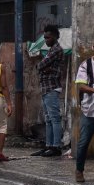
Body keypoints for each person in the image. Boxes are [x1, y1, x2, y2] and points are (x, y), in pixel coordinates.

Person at [74, 36, 94, 184]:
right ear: (93, 47)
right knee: (84, 143)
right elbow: (80, 86)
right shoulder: (86, 65)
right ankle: (79, 171)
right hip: (89, 111)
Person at [34, 24, 65, 157]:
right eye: (45, 37)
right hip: (46, 87)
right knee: (48, 119)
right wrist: (43, 67)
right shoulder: (51, 50)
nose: (46, 40)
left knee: (54, 118)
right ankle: (49, 145)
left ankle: (56, 146)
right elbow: (41, 66)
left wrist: (43, 67)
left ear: (55, 37)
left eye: (48, 37)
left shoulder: (56, 50)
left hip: (52, 86)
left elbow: (41, 65)